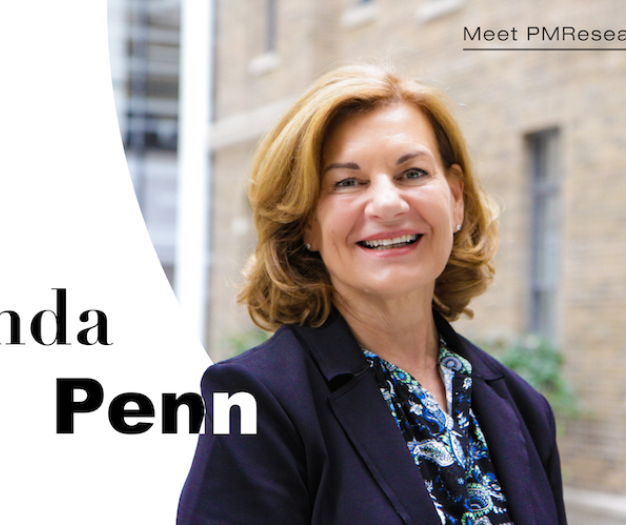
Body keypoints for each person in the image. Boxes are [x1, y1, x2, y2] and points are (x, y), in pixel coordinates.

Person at [177, 64, 566, 525]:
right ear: (306, 223)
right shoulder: (259, 402)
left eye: (413, 173)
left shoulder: (523, 409)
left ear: (456, 198)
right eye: (347, 182)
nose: (387, 203)